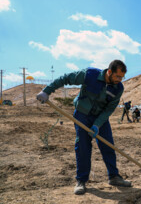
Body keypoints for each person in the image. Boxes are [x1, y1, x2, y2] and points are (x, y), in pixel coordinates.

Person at [36, 60, 131, 195]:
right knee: (83, 147)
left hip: (100, 118)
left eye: (122, 77)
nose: (119, 80)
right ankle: (81, 180)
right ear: (109, 72)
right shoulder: (89, 74)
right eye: (117, 76)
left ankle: (114, 176)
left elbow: (109, 110)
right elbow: (65, 78)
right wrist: (47, 91)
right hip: (82, 114)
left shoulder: (118, 88)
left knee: (108, 145)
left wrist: (97, 124)